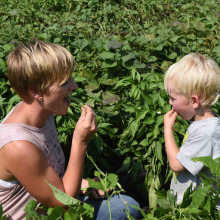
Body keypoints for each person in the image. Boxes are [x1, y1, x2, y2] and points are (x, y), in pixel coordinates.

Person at [0, 40, 140, 220]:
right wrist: (80, 142)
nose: (74, 86)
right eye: (65, 82)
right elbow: (64, 203)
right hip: (44, 215)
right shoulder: (18, 145)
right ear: (36, 92)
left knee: (125, 206)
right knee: (127, 209)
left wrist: (84, 184)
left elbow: (48, 178)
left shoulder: (43, 112)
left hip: (53, 206)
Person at [163, 53, 220, 208]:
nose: (170, 102)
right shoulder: (202, 124)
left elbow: (176, 164)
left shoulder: (206, 133)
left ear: (194, 101)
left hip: (198, 210)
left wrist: (167, 130)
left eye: (173, 98)